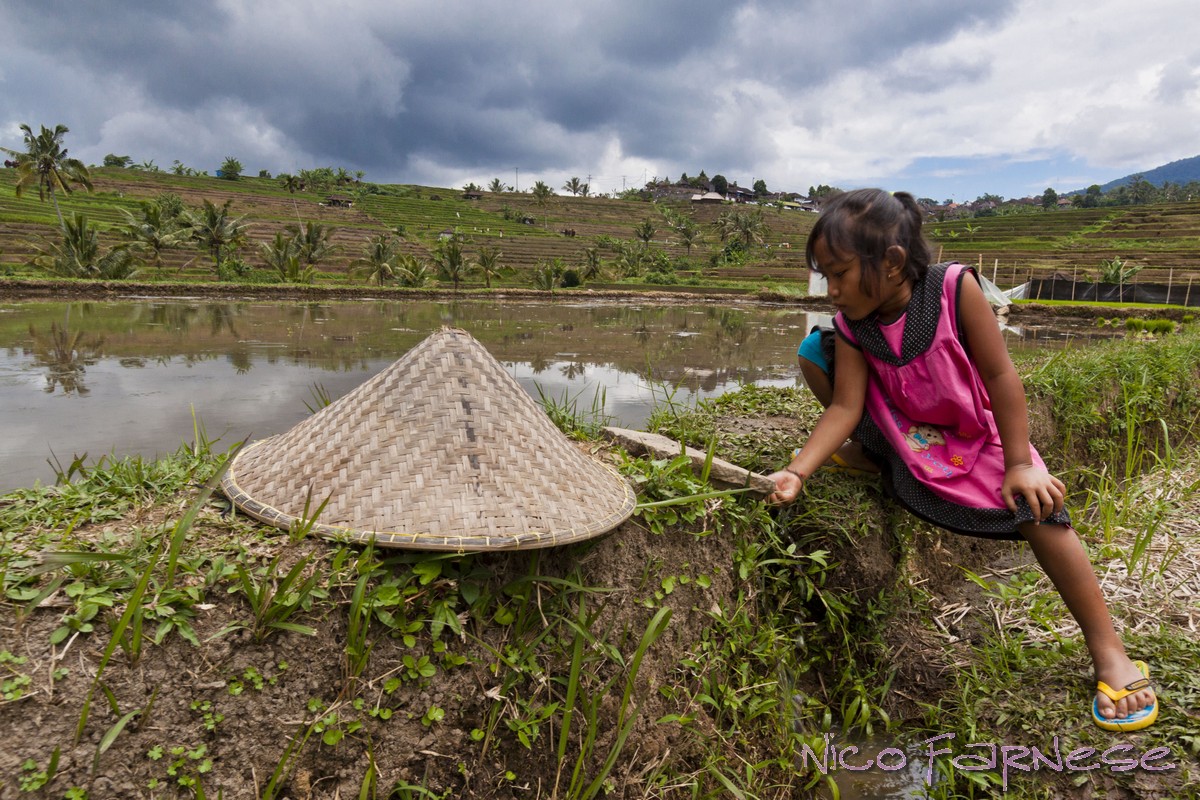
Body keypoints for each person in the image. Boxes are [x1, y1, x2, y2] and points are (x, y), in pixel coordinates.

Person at [769, 188, 1158, 731]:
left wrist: (1021, 463)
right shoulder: (855, 322)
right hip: (903, 429)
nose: (830, 289)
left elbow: (1000, 377)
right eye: (823, 277)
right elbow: (845, 403)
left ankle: (1110, 650)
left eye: (838, 274)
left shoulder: (955, 288)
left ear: (893, 262)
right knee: (816, 352)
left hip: (971, 429)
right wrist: (798, 469)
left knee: (1038, 510)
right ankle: (876, 457)